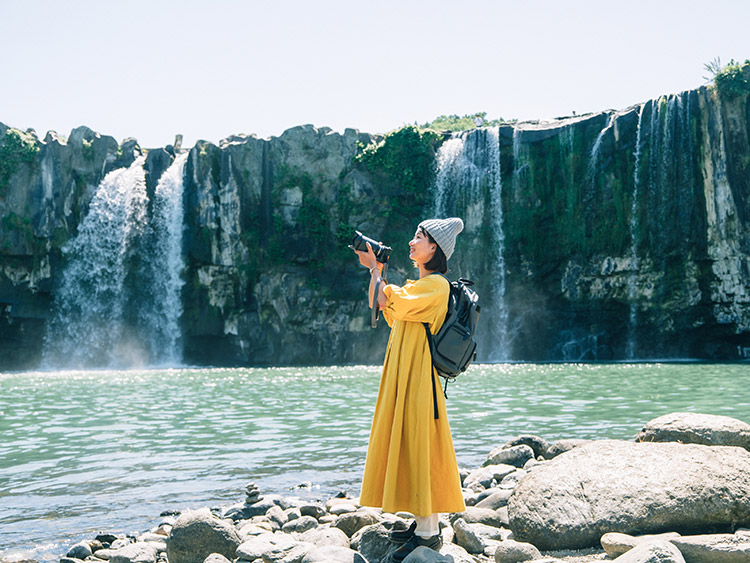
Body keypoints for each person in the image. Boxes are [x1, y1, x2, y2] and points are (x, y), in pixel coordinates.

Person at [353, 217, 466, 562]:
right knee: (409, 444)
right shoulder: (416, 288)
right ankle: (422, 525)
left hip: (418, 378)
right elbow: (384, 305)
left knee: (420, 445)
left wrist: (377, 271)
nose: (412, 241)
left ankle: (429, 533)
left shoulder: (436, 286)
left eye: (420, 236)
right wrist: (375, 270)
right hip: (405, 375)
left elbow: (394, 301)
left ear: (435, 248)